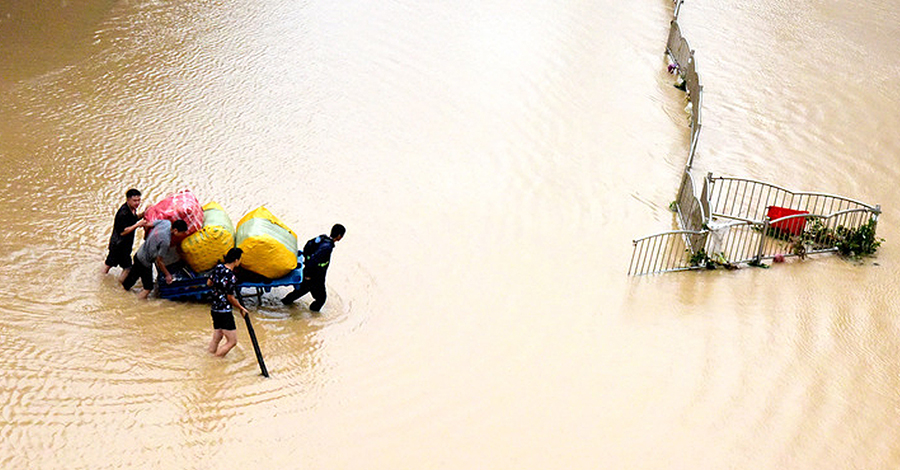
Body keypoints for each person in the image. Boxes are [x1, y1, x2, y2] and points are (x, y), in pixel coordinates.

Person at [281, 224, 346, 312]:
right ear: (339, 236)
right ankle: (313, 315)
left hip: (309, 273)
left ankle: (283, 303)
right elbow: (314, 260)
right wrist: (308, 275)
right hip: (315, 277)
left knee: (300, 292)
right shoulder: (327, 248)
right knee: (321, 299)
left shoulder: (321, 238)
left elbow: (307, 246)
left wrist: (307, 262)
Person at [122, 219, 189, 299]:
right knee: (148, 288)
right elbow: (159, 261)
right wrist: (168, 275)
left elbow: (148, 224)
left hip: (139, 254)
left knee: (127, 284)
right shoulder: (165, 241)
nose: (183, 234)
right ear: (175, 231)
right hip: (145, 262)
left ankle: (122, 296)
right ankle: (135, 303)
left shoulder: (166, 223)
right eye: (182, 233)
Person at [207, 248, 249, 357]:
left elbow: (209, 283)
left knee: (217, 337)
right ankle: (215, 360)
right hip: (224, 311)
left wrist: (218, 288)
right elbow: (230, 297)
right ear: (236, 260)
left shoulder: (218, 268)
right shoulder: (231, 276)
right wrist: (241, 308)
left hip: (215, 308)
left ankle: (209, 356)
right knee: (232, 341)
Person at [103, 189, 148, 281]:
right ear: (128, 200)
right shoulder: (123, 213)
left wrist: (143, 214)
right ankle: (119, 286)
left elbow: (133, 219)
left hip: (120, 244)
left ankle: (102, 279)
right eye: (134, 201)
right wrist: (137, 225)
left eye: (139, 200)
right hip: (120, 245)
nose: (137, 203)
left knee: (109, 264)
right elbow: (123, 232)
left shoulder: (132, 209)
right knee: (127, 268)